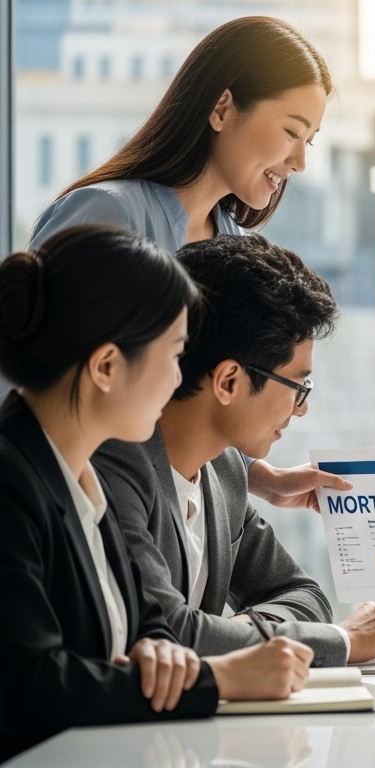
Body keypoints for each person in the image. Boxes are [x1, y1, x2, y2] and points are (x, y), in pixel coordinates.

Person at [21, 15, 357, 513]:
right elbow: (32, 384)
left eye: (307, 141)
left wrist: (262, 479)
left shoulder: (236, 245)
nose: (299, 163)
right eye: (291, 131)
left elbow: (199, 406)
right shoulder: (108, 214)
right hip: (73, 513)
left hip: (163, 521)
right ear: (222, 108)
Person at [0, 225, 312, 760]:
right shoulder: (12, 482)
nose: (178, 381)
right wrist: (218, 678)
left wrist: (167, 658)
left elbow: (149, 629)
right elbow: (32, 686)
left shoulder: (79, 477)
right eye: (173, 356)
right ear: (106, 367)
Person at [92, 234, 375, 667]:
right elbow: (168, 632)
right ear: (229, 381)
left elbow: (303, 594)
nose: (301, 408)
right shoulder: (115, 465)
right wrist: (341, 640)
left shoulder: (225, 469)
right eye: (297, 386)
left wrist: (246, 634)